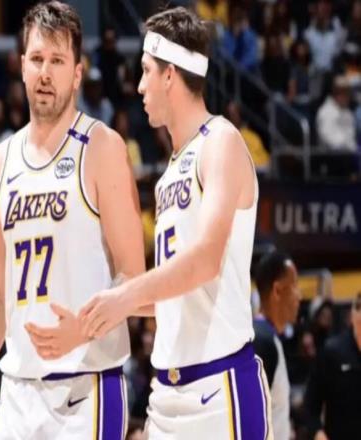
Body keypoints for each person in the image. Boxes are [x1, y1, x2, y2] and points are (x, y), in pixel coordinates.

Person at [30, 6, 272, 439]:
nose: (139, 85)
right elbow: (171, 294)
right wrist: (89, 323)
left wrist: (122, 298)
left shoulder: (221, 143)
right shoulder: (169, 174)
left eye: (146, 71)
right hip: (166, 396)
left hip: (220, 389)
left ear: (170, 75)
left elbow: (206, 261)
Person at [0, 2, 144, 439]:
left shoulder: (102, 147)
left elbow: (133, 278)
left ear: (77, 73)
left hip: (86, 388)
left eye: (57, 60)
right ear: (21, 66)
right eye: (36, 59)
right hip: (17, 393)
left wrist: (83, 330)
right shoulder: (2, 160)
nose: (45, 73)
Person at [253, 251, 302, 440]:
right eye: (295, 285)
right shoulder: (262, 342)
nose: (299, 296)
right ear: (277, 291)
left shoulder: (267, 337)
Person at [304, 293, 361, 440]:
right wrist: (318, 434)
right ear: (353, 314)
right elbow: (310, 406)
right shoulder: (332, 351)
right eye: (358, 308)